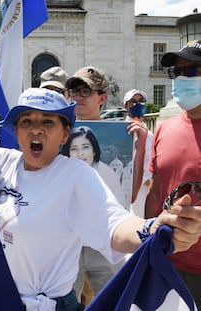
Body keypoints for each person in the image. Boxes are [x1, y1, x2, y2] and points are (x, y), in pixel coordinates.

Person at [0, 61, 201, 310]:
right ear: (16, 132)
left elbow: (114, 225)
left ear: (64, 134)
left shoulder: (75, 176)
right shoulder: (0, 163)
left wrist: (156, 230)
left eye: (48, 122)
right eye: (27, 121)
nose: (36, 128)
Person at [64, 66, 150, 303]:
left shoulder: (125, 137)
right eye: (73, 90)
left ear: (102, 97)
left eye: (85, 91)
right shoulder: (57, 132)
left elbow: (130, 196)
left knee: (114, 303)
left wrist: (139, 146)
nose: (78, 97)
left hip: (106, 241)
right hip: (68, 240)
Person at [145, 39, 201, 308]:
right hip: (168, 264)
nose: (180, 78)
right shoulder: (164, 129)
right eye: (175, 72)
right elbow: (156, 191)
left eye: (190, 70)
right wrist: (145, 241)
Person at [60, 126, 127, 207]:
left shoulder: (107, 175)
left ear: (94, 150)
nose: (80, 153)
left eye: (85, 147)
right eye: (74, 149)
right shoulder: (63, 173)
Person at [123, 89, 153, 217]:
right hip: (137, 185)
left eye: (141, 101)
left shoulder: (145, 128)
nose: (138, 105)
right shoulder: (126, 129)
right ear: (126, 106)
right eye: (133, 102)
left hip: (149, 185)